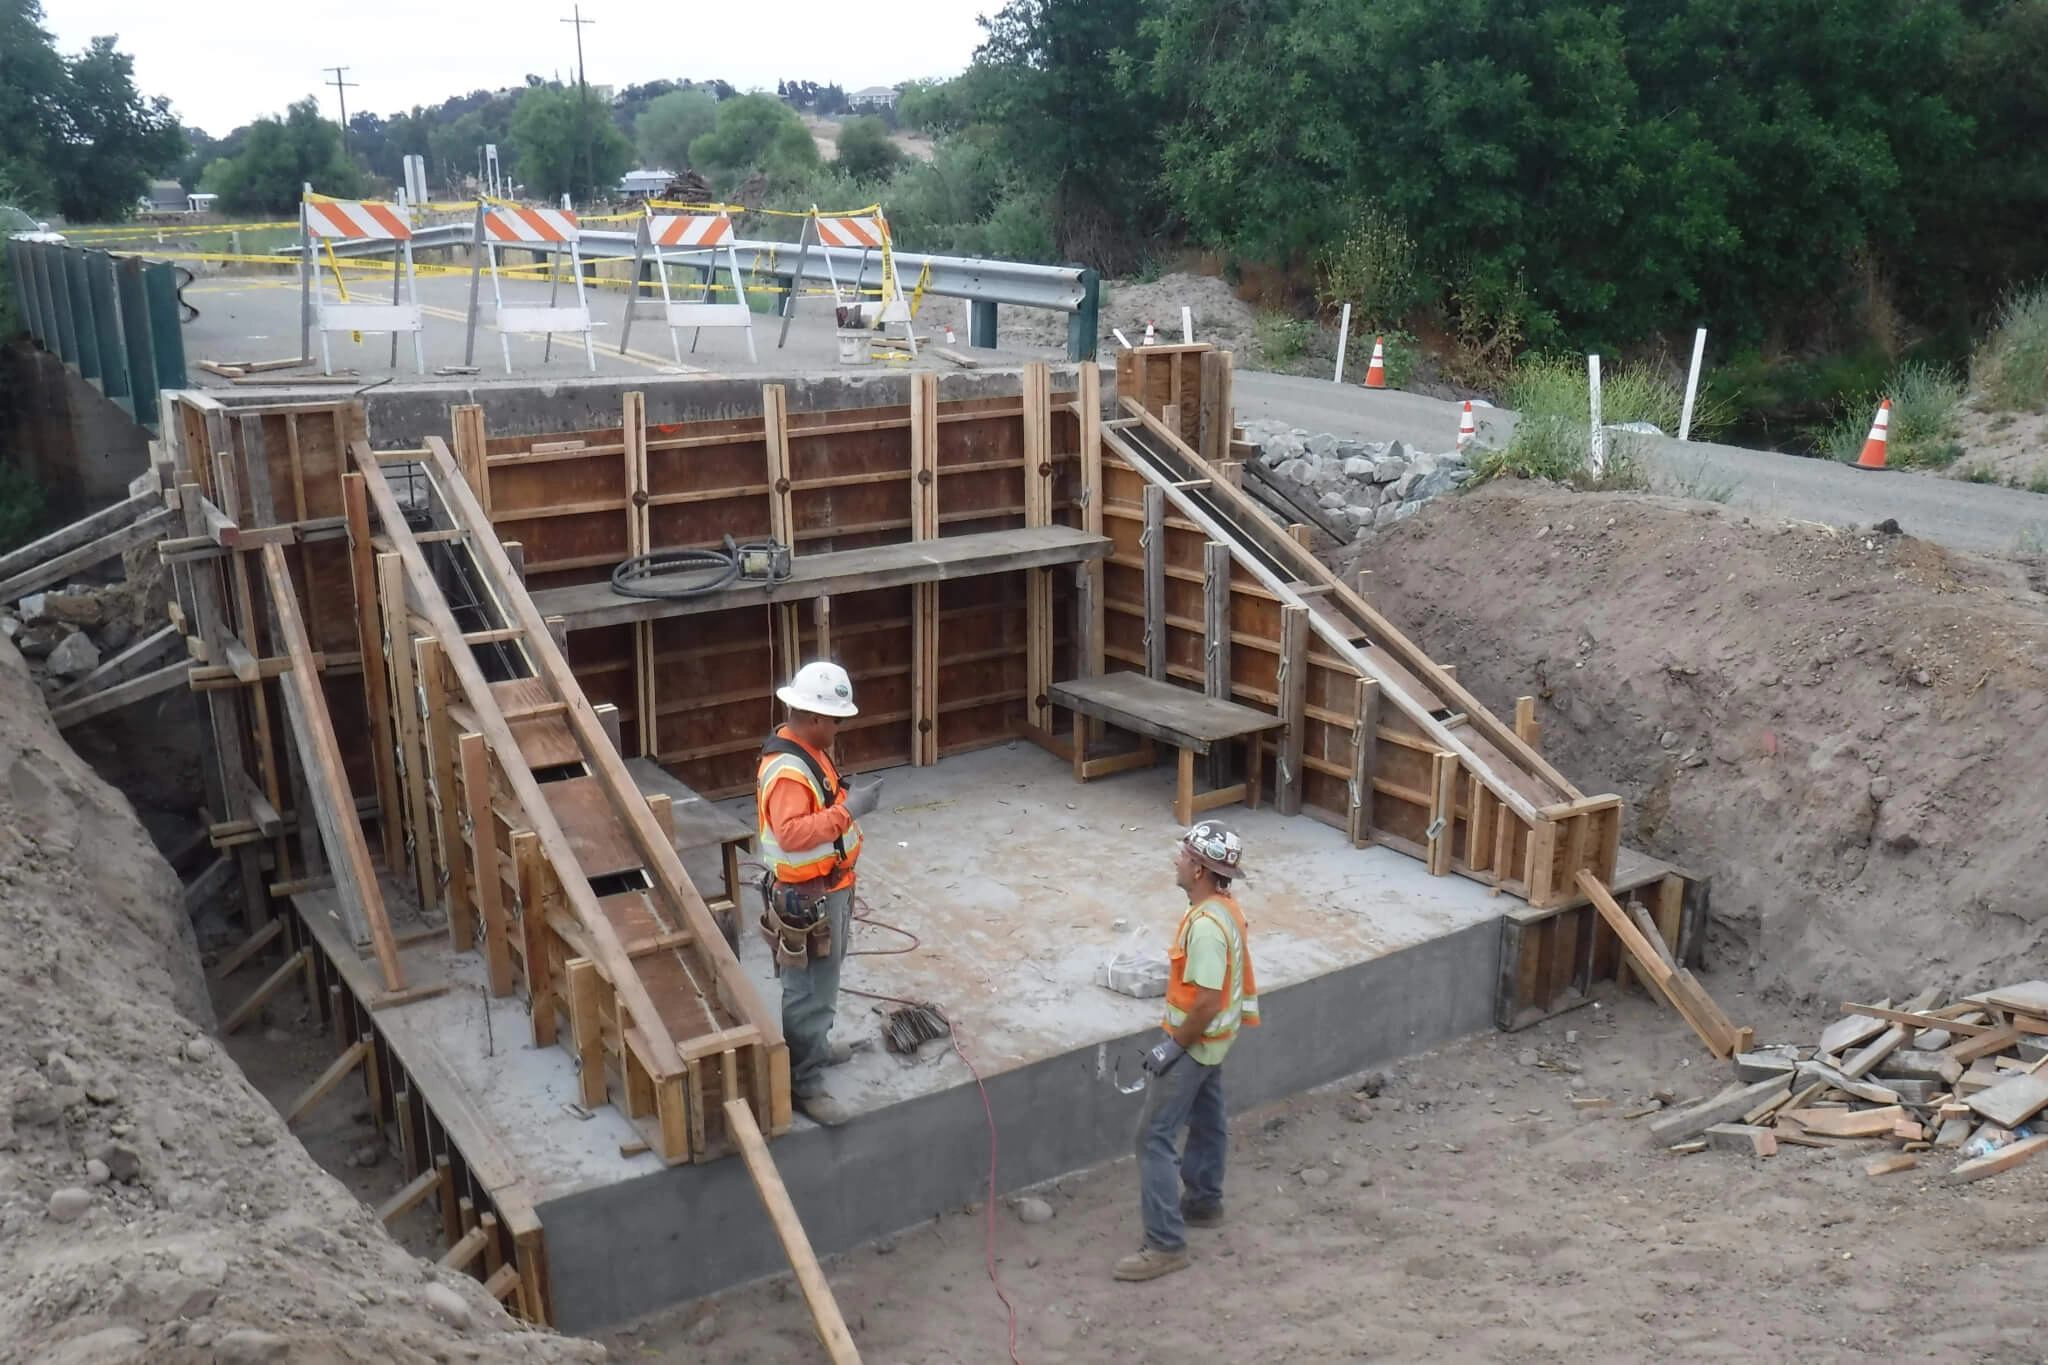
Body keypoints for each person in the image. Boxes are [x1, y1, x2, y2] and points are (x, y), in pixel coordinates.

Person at [1115, 819, 1260, 1282]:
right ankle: (1203, 1202)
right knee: (1209, 1119)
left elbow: (1206, 1000)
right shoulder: (1226, 910)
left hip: (1195, 1045)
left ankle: (1165, 1244)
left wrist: (1171, 1049)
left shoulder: (1206, 929)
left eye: (1182, 856)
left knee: (1153, 1137)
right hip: (1215, 1044)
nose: (1176, 861)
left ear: (1198, 869)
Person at [756, 660, 885, 1127]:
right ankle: (802, 1082)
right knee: (809, 990)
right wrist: (850, 811)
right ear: (813, 718)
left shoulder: (806, 749)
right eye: (835, 719)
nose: (839, 727)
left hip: (828, 889)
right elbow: (791, 834)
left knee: (822, 983)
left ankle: (814, 1050)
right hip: (807, 898)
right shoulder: (789, 770)